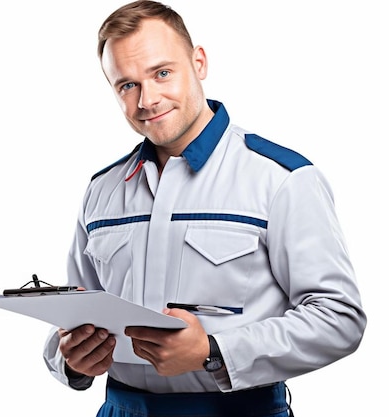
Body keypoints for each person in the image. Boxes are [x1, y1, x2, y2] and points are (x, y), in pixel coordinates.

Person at [43, 1, 367, 416]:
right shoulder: (101, 190)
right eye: (127, 85)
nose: (148, 99)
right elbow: (76, 313)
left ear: (198, 62)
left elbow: (340, 319)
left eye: (162, 73)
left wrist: (214, 352)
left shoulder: (281, 179)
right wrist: (71, 359)